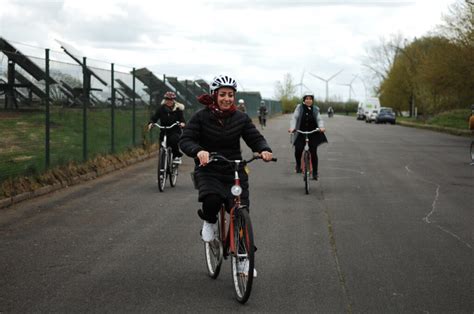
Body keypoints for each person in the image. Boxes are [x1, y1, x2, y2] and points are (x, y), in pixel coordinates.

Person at [179, 75, 273, 276]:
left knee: (240, 213)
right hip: (209, 169)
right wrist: (198, 151)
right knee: (212, 199)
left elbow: (254, 137)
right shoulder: (201, 117)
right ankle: (210, 221)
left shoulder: (240, 118)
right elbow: (185, 139)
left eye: (230, 95)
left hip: (234, 170)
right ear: (214, 96)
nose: (227, 99)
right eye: (222, 94)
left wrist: (263, 149)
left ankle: (242, 260)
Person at [288, 92, 327, 180]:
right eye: (307, 98)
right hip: (301, 132)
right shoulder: (299, 108)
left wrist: (321, 127)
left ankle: (315, 173)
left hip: (313, 133)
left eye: (310, 99)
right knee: (298, 149)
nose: (308, 100)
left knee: (313, 152)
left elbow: (319, 119)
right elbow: (294, 118)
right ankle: (298, 165)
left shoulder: (315, 109)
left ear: (312, 100)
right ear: (304, 100)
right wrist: (292, 128)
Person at [147, 91, 186, 164]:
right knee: (162, 143)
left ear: (173, 100)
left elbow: (182, 120)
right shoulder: (161, 109)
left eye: (171, 100)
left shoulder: (178, 109)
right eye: (167, 99)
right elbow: (154, 117)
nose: (169, 101)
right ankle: (163, 160)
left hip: (174, 130)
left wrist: (182, 123)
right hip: (164, 130)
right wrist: (151, 123)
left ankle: (176, 156)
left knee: (174, 140)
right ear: (165, 100)